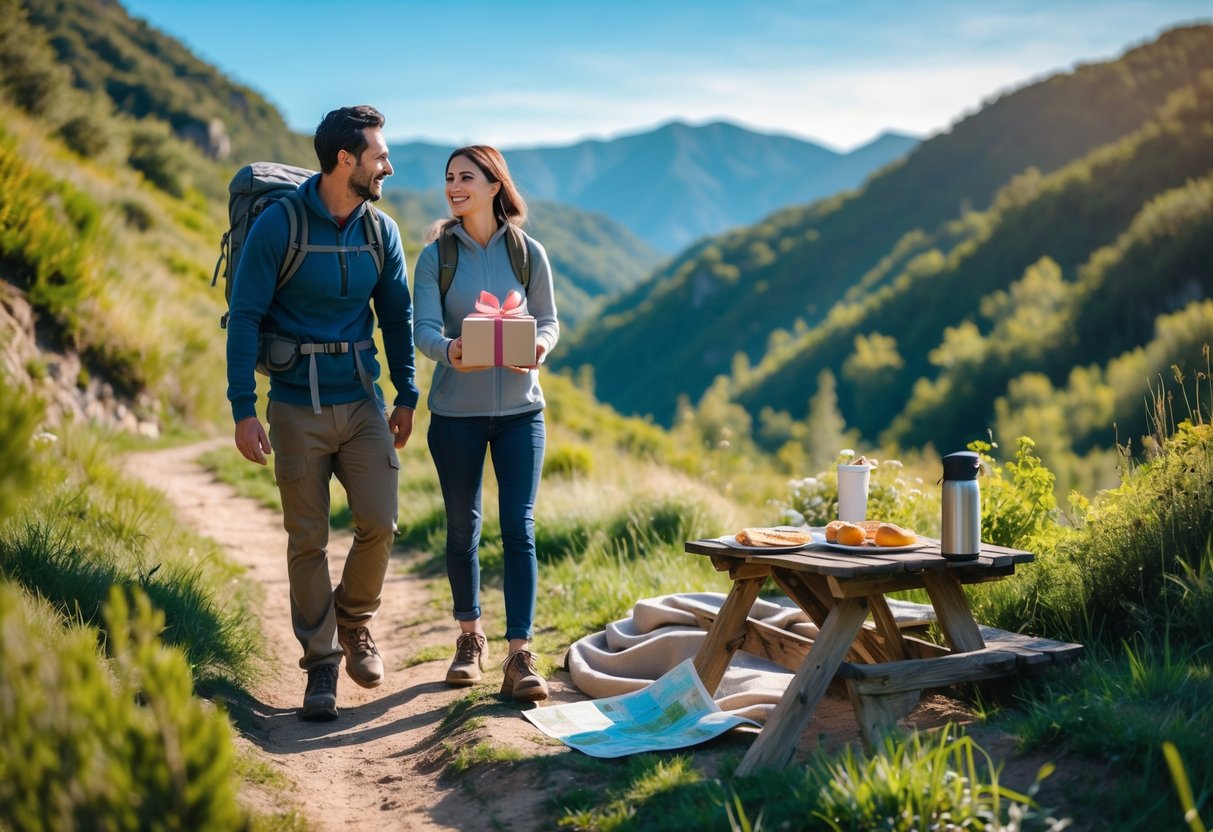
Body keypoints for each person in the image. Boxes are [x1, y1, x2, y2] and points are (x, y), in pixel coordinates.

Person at [226, 105, 418, 721]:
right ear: (345, 160)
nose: (388, 165)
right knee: (306, 538)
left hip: (361, 398)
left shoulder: (379, 231)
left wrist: (407, 393)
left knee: (380, 521)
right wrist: (242, 409)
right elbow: (245, 318)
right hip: (293, 404)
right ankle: (320, 668)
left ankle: (354, 620)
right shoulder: (279, 224)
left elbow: (397, 317)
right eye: (379, 156)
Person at [413, 146, 559, 702]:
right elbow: (423, 328)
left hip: (523, 411)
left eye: (466, 177)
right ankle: (469, 639)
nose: (454, 186)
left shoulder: (527, 252)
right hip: (455, 414)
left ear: (494, 185)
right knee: (461, 526)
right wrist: (452, 351)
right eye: (449, 177)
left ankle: (519, 654)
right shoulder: (436, 257)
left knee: (519, 528)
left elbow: (548, 320)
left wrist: (539, 346)